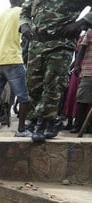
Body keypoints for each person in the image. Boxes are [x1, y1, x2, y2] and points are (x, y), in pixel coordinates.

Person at [19, 0, 92, 142]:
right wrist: (24, 25)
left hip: (61, 43)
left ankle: (42, 123)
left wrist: (80, 23)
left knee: (53, 83)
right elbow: (25, 11)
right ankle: (47, 120)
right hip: (37, 43)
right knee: (33, 84)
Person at [0, 0, 31, 138]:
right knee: (23, 97)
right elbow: (25, 31)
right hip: (13, 60)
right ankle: (21, 130)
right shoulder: (22, 12)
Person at [71, 28, 92, 135]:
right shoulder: (90, 31)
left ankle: (89, 127)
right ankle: (78, 125)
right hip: (88, 71)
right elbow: (82, 49)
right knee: (82, 99)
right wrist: (77, 65)